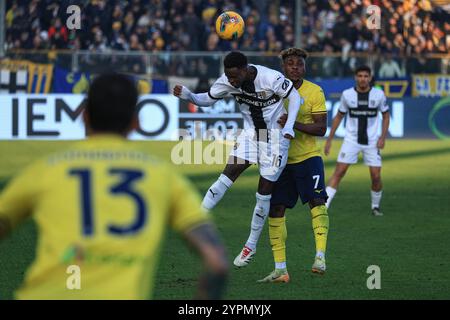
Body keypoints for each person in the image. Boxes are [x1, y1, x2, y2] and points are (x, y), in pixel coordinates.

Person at [0, 73, 229, 300]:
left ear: (84, 117)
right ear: (136, 122)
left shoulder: (46, 170)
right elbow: (216, 262)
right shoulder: (163, 176)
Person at [173, 51, 301, 267]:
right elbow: (207, 99)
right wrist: (189, 95)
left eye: (234, 76)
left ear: (245, 70)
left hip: (276, 139)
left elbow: (296, 97)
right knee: (226, 175)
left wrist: (289, 126)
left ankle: (250, 246)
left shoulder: (269, 78)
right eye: (228, 76)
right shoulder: (227, 81)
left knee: (263, 195)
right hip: (253, 135)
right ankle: (196, 219)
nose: (231, 81)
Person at [257, 48, 329, 283]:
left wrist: (292, 123)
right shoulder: (272, 92)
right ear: (283, 68)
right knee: (275, 209)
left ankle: (320, 256)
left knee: (317, 202)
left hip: (308, 157)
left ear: (304, 68)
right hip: (280, 161)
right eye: (291, 63)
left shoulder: (314, 91)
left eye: (299, 64)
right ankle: (280, 270)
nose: (295, 67)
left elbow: (321, 128)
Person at [324, 65, 390, 216]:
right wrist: (329, 139)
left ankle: (375, 207)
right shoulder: (347, 95)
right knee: (339, 172)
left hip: (372, 142)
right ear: (355, 77)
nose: (363, 79)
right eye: (360, 76)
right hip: (351, 140)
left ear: (370, 78)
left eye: (366, 76)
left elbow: (386, 116)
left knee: (376, 176)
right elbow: (339, 116)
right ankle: (324, 207)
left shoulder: (378, 95)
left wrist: (382, 137)